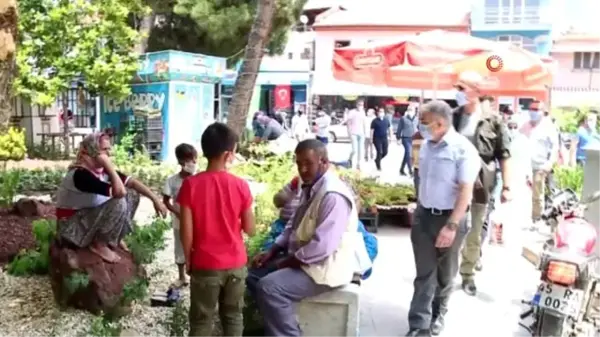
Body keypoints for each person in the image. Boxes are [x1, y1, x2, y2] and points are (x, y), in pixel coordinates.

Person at [246, 139, 361, 337]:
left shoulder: (333, 195)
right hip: (306, 262)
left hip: (323, 269)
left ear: (324, 162)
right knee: (253, 275)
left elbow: (321, 247)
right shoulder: (311, 186)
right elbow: (293, 224)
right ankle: (278, 324)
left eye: (308, 163)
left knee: (269, 287)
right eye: (299, 164)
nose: (303, 169)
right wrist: (272, 250)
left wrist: (285, 263)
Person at [406, 100, 480, 337]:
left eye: (425, 122)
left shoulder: (463, 150)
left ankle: (439, 314)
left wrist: (451, 225)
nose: (421, 127)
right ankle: (419, 325)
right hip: (424, 216)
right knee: (424, 274)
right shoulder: (427, 145)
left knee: (445, 273)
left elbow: (465, 192)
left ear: (440, 123)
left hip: (450, 219)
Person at [177, 123, 256, 337]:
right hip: (236, 263)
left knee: (202, 321)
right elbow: (250, 229)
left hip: (205, 264)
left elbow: (186, 230)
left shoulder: (190, 185)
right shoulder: (241, 185)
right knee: (233, 317)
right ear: (228, 154)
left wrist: (188, 259)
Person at [55, 132, 167, 263]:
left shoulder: (100, 171)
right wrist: (108, 165)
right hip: (70, 228)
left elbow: (132, 183)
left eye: (109, 149)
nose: (109, 153)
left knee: (133, 194)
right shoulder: (80, 175)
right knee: (118, 201)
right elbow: (119, 193)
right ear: (93, 151)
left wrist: (155, 200)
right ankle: (99, 244)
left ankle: (113, 239)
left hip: (85, 220)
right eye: (104, 150)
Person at [453, 72, 512, 297]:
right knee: (452, 225)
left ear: (476, 91)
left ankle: (467, 273)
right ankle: (447, 270)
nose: (458, 92)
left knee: (475, 230)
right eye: (456, 88)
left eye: (463, 88)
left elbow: (504, 155)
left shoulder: (493, 121)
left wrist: (507, 186)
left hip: (480, 182)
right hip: (454, 183)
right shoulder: (453, 117)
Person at [162, 143, 198, 287]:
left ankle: (197, 275)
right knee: (180, 246)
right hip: (179, 221)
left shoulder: (198, 179)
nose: (193, 163)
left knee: (197, 246)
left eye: (195, 160)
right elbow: (166, 200)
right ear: (181, 162)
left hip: (197, 220)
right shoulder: (172, 181)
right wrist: (178, 213)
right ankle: (182, 276)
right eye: (190, 160)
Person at [519, 101, 559, 224]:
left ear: (543, 112)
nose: (532, 112)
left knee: (537, 195)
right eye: (531, 109)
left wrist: (550, 163)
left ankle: (537, 220)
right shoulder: (525, 126)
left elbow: (554, 147)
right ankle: (524, 217)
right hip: (524, 165)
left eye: (536, 110)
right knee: (523, 193)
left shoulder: (548, 127)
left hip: (540, 166)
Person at [345, 99, 367, 170]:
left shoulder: (363, 112)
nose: (361, 106)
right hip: (353, 133)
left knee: (360, 150)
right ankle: (350, 159)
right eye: (359, 105)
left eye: (362, 105)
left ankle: (358, 164)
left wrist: (365, 132)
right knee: (354, 150)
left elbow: (364, 122)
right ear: (356, 105)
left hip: (361, 134)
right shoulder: (352, 112)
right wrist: (349, 132)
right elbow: (348, 122)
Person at [397, 105, 418, 176]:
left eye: (413, 110)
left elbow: (419, 128)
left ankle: (401, 169)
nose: (412, 111)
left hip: (414, 139)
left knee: (407, 154)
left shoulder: (416, 119)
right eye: (410, 110)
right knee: (408, 153)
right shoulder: (403, 118)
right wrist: (398, 138)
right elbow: (399, 129)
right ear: (408, 110)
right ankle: (410, 171)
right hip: (406, 138)